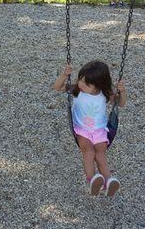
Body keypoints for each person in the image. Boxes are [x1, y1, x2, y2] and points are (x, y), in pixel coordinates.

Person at [53, 61, 127, 196]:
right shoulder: (77, 90)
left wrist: (122, 92)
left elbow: (120, 104)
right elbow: (57, 87)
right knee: (88, 152)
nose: (81, 83)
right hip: (82, 130)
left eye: (86, 83)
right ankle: (93, 180)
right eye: (80, 79)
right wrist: (64, 75)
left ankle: (109, 182)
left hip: (100, 131)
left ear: (98, 86)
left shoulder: (105, 94)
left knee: (101, 154)